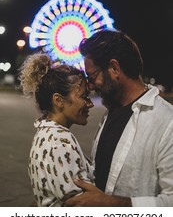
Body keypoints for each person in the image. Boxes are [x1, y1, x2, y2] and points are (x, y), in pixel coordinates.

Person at [65, 29, 173, 207]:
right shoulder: (111, 113)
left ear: (114, 68)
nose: (90, 87)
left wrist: (110, 204)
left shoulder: (167, 123)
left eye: (92, 77)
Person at [18, 52, 95, 207]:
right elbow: (79, 203)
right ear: (58, 100)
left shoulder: (45, 133)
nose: (90, 104)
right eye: (84, 96)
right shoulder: (60, 141)